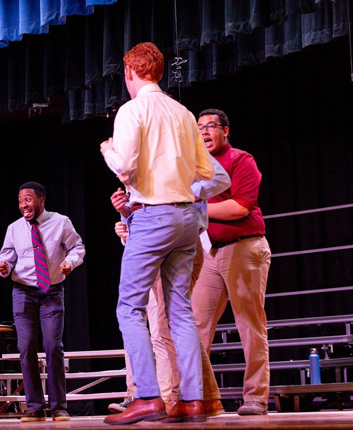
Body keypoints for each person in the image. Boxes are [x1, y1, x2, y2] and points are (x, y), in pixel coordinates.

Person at [99, 42, 215, 425]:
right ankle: (193, 401)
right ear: (159, 72)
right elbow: (206, 173)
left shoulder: (133, 109)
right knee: (180, 311)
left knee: (128, 307)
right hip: (186, 219)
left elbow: (126, 169)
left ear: (130, 72)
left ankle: (148, 395)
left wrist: (108, 150)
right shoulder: (183, 113)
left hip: (154, 216)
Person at [107, 160, 230, 418]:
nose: (121, 176)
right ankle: (192, 399)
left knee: (163, 327)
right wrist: (127, 215)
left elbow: (217, 181)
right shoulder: (144, 185)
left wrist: (109, 151)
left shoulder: (171, 166)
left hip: (171, 241)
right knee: (165, 326)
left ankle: (168, 397)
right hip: (165, 240)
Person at [192, 108, 271, 416]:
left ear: (226, 130)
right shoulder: (195, 167)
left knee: (249, 324)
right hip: (209, 251)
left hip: (244, 247)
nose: (204, 133)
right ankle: (202, 397)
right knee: (196, 326)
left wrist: (195, 209)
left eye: (210, 126)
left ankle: (255, 397)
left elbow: (240, 207)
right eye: (199, 128)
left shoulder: (240, 160)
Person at [0, 182, 85, 422]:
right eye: (20, 201)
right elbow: (6, 257)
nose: (23, 205)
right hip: (23, 292)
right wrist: (3, 267)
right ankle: (34, 406)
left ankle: (58, 406)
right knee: (26, 348)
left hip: (51, 291)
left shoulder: (60, 222)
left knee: (53, 346)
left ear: (41, 201)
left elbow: (78, 247)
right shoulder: (14, 228)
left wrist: (70, 262)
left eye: (28, 199)